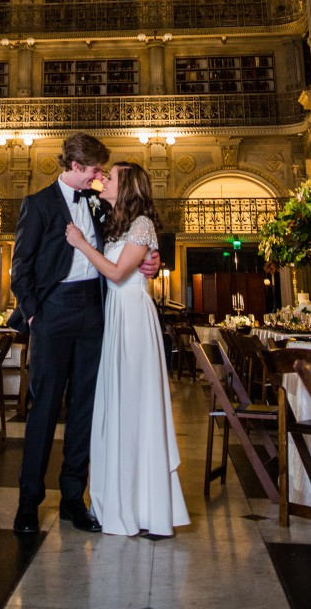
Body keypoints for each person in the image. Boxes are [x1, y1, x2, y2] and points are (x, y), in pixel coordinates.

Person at [10, 132, 160, 536]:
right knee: (43, 409)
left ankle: (74, 499)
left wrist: (152, 261)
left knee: (84, 410)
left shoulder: (98, 205)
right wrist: (33, 315)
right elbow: (19, 269)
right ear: (76, 167)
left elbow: (130, 239)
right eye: (95, 171)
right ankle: (29, 502)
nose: (98, 179)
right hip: (53, 313)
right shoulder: (37, 205)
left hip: (96, 313)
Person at [66, 161, 189, 537]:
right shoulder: (110, 217)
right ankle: (117, 503)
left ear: (129, 186)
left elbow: (119, 273)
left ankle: (149, 510)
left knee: (137, 406)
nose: (103, 179)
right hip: (114, 316)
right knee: (116, 407)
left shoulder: (142, 224)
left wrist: (81, 244)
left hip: (133, 318)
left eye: (112, 176)